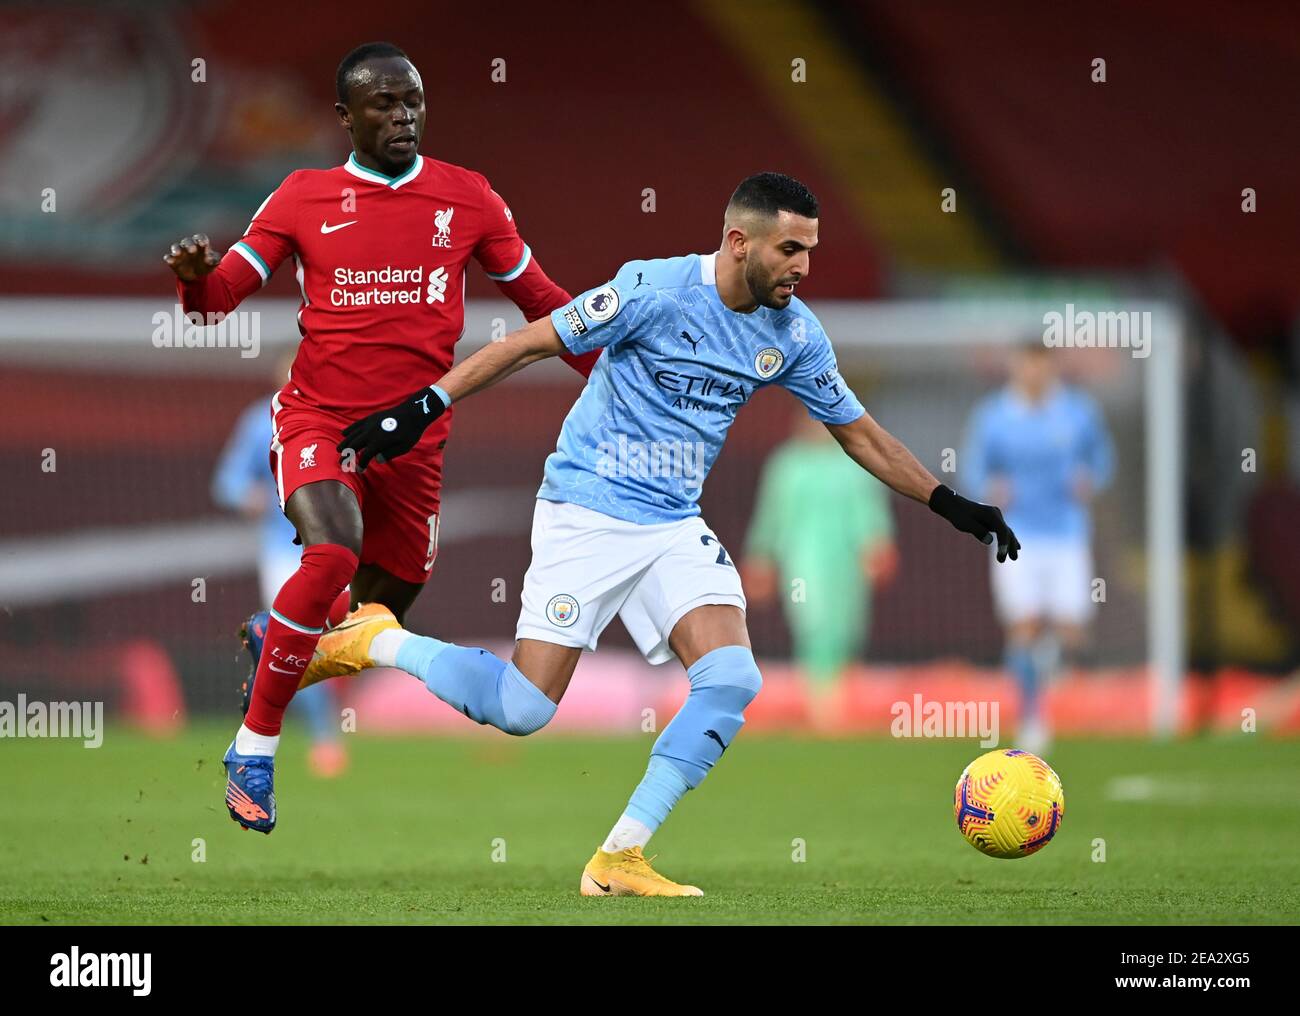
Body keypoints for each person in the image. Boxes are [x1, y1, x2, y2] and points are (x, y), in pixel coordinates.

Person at [305, 172, 1018, 895]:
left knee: (732, 679)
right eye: (790, 248)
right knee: (521, 710)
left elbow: (860, 435)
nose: (803, 265)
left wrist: (949, 502)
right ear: (740, 243)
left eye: (811, 249)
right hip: (587, 509)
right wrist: (424, 405)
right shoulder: (652, 290)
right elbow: (531, 343)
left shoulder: (795, 333)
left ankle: (619, 859)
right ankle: (375, 639)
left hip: (672, 524)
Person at [164, 41, 598, 833]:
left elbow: (545, 303)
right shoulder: (302, 196)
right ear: (345, 117)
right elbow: (215, 300)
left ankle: (280, 640)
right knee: (329, 554)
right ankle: (254, 751)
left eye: (414, 103)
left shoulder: (469, 200)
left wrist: (617, 377)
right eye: (385, 104)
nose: (403, 116)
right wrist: (196, 276)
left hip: (414, 443)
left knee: (375, 619)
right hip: (318, 421)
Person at [961, 342, 1114, 753]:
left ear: (1051, 368)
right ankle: (1031, 718)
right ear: (1016, 367)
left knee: (1072, 630)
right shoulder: (994, 416)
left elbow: (1102, 459)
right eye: (1027, 365)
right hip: (1015, 536)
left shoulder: (1077, 411)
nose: (1034, 373)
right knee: (1024, 625)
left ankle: (1046, 669)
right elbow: (974, 467)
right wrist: (988, 489)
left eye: (1041, 365)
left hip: (1067, 534)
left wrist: (1090, 478)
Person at [211, 355, 347, 777]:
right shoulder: (259, 421)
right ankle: (323, 737)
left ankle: (314, 722)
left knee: (338, 637)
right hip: (283, 550)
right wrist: (246, 496)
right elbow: (227, 481)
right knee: (296, 642)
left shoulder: (342, 418)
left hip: (337, 547)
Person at [742, 410, 897, 728]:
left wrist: (877, 545)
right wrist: (761, 556)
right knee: (814, 624)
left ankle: (838, 701)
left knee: (846, 628)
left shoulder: (854, 462)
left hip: (847, 563)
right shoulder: (787, 464)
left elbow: (869, 512)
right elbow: (771, 515)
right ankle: (823, 708)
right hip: (801, 560)